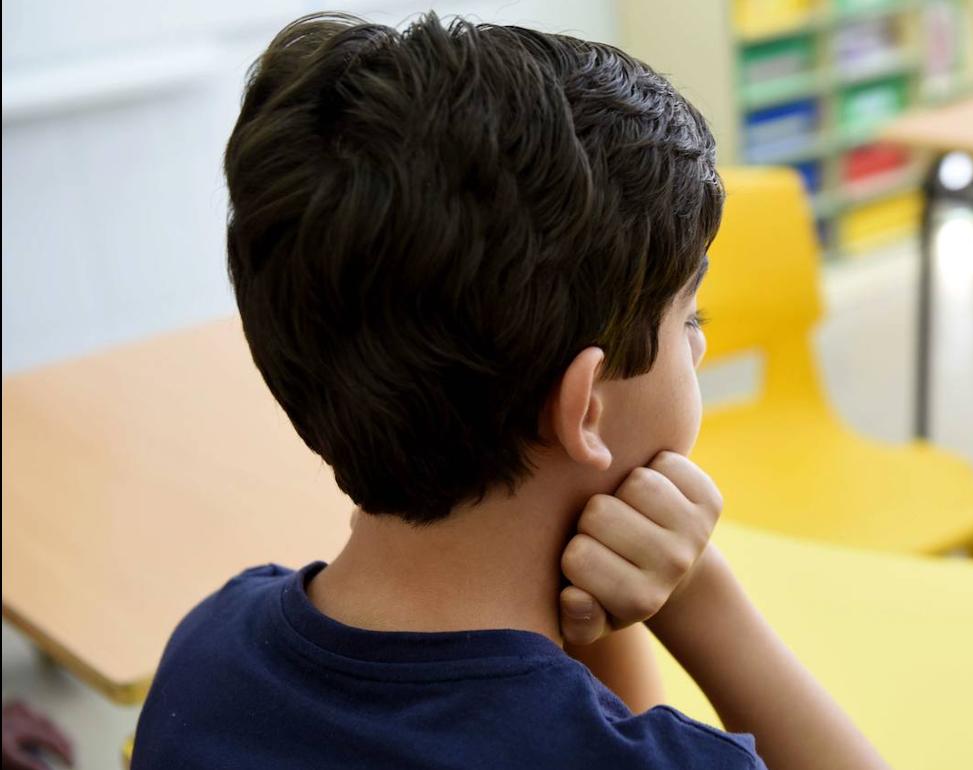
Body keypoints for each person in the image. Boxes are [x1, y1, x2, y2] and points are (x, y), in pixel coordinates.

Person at [131, 12, 887, 770]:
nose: (700, 344)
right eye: (689, 317)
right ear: (586, 407)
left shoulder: (207, 645)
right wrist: (699, 599)